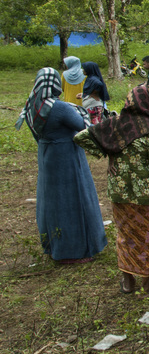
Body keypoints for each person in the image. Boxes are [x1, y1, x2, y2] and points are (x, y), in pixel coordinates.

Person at [74, 84, 149, 298]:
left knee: (126, 236)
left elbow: (81, 137)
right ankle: (147, 286)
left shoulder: (116, 125)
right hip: (146, 197)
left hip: (120, 195)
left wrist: (109, 151)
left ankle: (128, 282)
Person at [16, 68, 107, 264]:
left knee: (52, 201)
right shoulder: (59, 108)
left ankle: (54, 245)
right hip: (66, 157)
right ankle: (74, 251)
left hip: (47, 154)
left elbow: (36, 134)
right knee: (73, 200)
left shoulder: (33, 104)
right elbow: (83, 126)